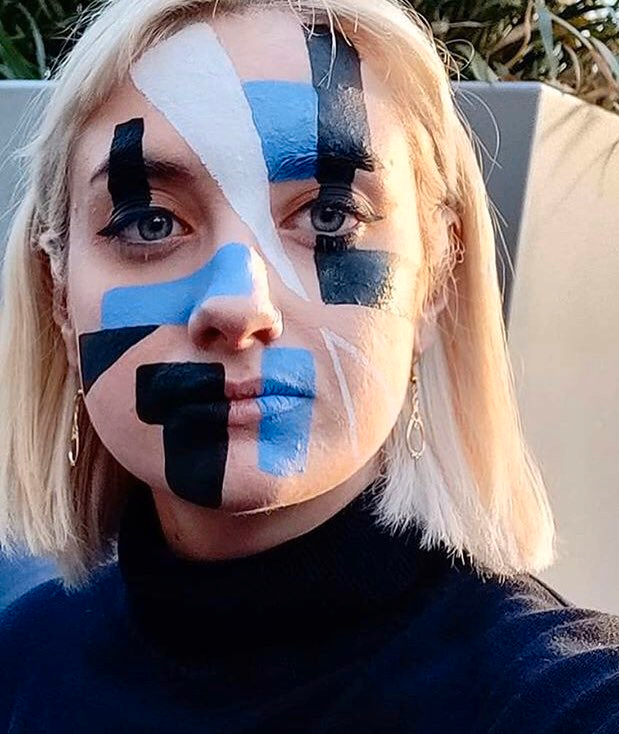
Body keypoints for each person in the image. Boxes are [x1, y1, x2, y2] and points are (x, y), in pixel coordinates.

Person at [0, 0, 618, 731]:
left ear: (437, 277)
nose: (238, 304)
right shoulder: (19, 666)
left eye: (329, 216)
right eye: (150, 222)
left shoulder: (554, 699)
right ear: (58, 292)